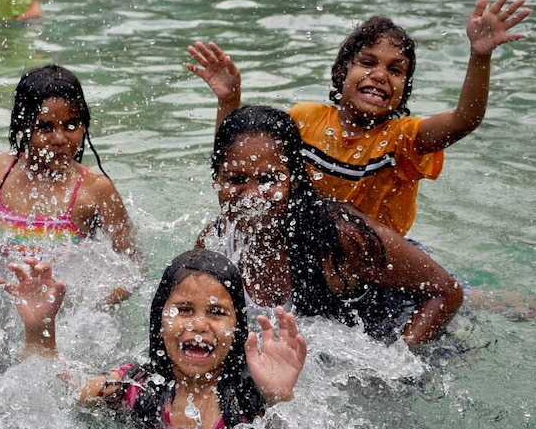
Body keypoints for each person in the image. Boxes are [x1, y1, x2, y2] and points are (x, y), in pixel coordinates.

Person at [187, 0, 530, 236]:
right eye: (367, 63)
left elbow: (464, 119)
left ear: (404, 89)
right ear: (342, 72)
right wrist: (229, 101)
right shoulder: (305, 119)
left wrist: (480, 56)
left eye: (396, 71)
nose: (380, 75)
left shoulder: (402, 139)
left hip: (378, 259)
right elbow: (238, 163)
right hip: (310, 246)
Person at [198, 105, 463, 346]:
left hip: (403, 320)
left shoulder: (340, 237)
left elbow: (446, 292)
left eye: (269, 179)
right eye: (236, 178)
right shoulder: (214, 243)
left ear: (295, 180)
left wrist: (396, 365)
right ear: (216, 181)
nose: (253, 195)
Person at [0, 249, 306, 429]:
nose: (199, 324)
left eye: (217, 312)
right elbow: (55, 392)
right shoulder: (133, 385)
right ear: (159, 319)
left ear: (238, 326)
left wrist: (280, 398)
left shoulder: (251, 398)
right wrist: (40, 330)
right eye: (184, 310)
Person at [0, 65, 142, 303]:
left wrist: (83, 305)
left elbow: (134, 268)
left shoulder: (94, 191)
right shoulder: (0, 171)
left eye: (71, 125)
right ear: (23, 126)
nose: (60, 139)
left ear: (84, 125)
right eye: (45, 127)